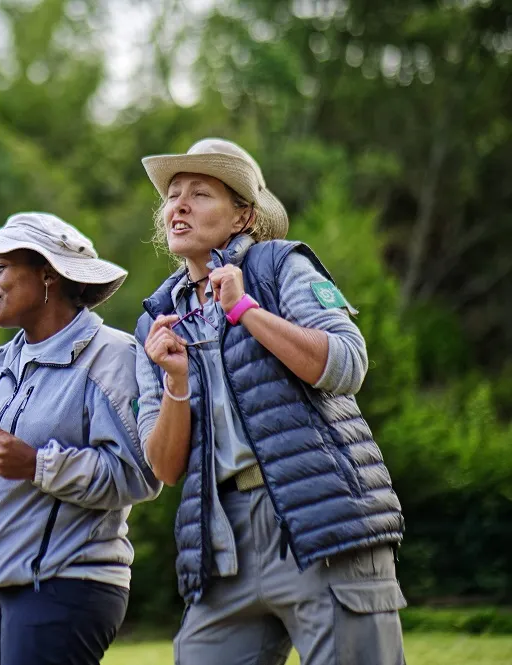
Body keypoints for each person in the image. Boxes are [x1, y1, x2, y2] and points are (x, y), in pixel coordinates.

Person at [133, 138, 406, 665]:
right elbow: (165, 467)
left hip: (320, 521)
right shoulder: (156, 320)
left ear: (243, 216)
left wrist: (246, 311)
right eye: (173, 195)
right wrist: (175, 381)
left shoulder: (279, 266)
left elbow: (348, 364)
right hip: (222, 544)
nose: (179, 205)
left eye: (201, 193)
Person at [0, 212, 162, 665]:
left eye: (0, 268)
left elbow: (141, 475)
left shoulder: (111, 359)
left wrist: (37, 465)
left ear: (48, 275)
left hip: (70, 583)